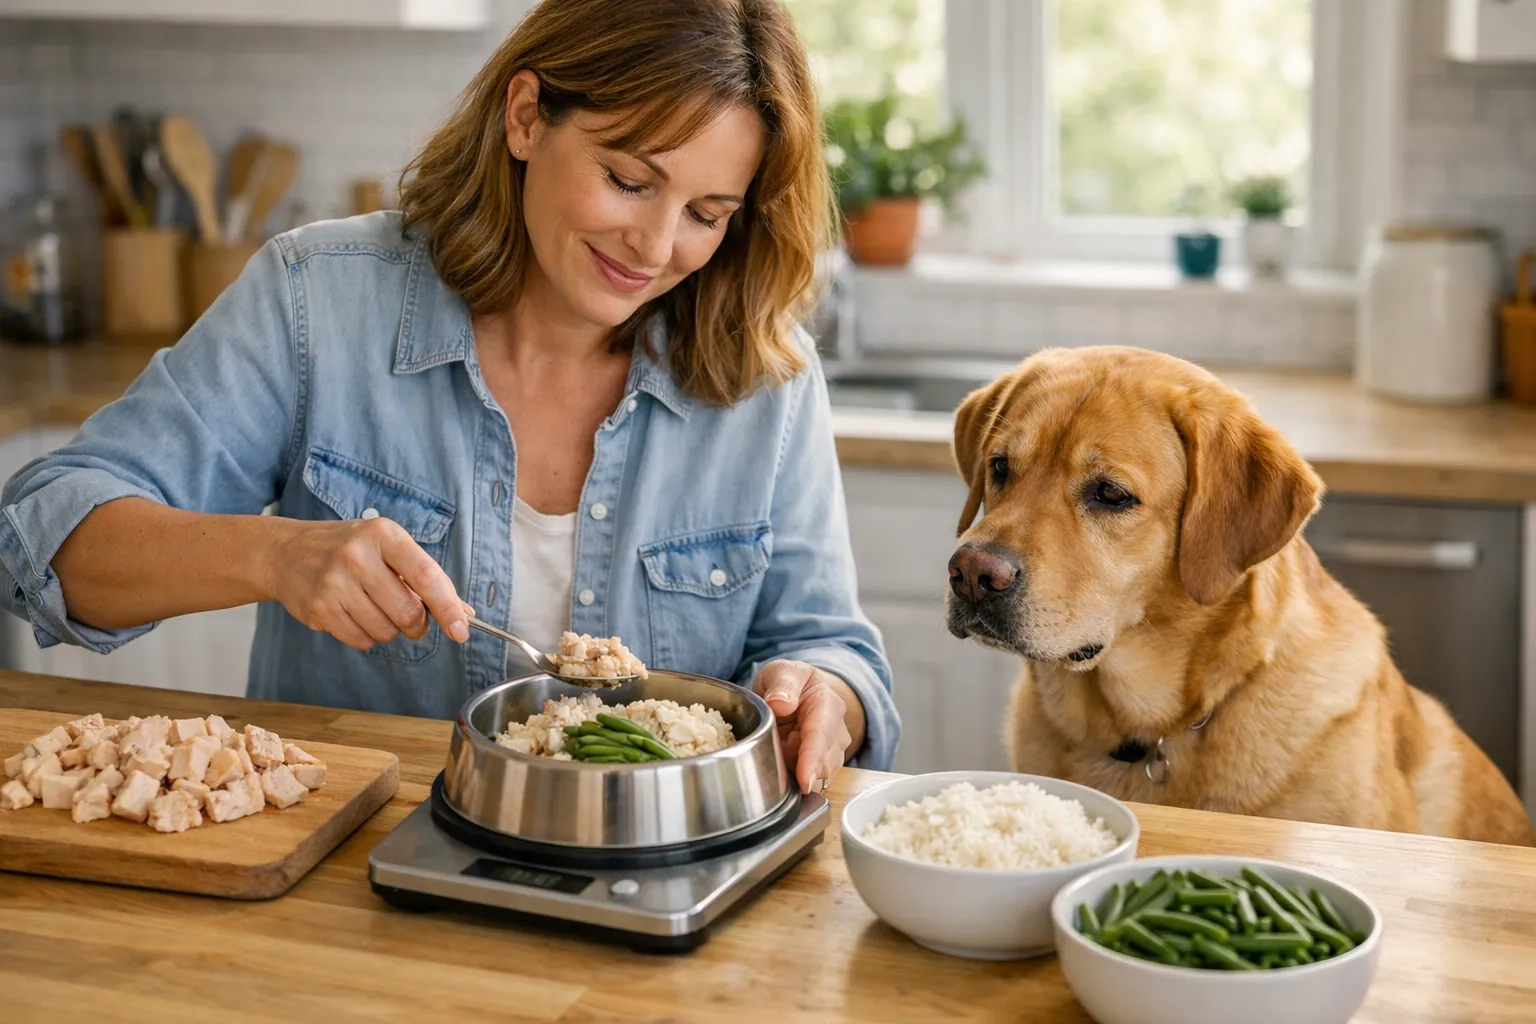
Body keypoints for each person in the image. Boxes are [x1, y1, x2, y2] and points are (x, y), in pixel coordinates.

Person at [0, 0, 899, 793]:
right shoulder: (321, 301)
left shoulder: (766, 376)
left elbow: (830, 646)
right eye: (630, 181)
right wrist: (276, 557)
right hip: (349, 872)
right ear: (525, 116)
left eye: (707, 214)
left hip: (665, 884)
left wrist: (825, 693)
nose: (658, 246)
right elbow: (39, 537)